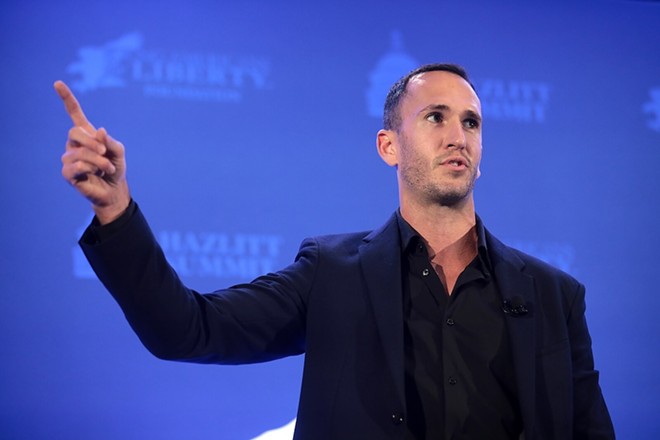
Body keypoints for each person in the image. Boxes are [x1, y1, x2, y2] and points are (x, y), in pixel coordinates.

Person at [56, 63, 615, 439]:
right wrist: (116, 212)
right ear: (388, 146)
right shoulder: (332, 273)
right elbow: (188, 329)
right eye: (435, 117)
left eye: (471, 122)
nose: (457, 136)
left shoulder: (552, 295)